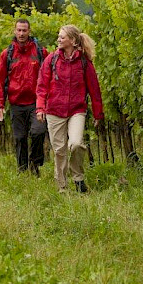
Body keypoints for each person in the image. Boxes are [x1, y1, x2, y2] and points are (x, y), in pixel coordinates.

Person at [36, 25, 104, 193]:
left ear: (73, 41)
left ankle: (78, 178)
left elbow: (94, 89)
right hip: (54, 110)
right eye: (59, 37)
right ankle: (62, 186)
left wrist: (97, 113)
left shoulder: (84, 63)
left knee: (75, 144)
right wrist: (40, 108)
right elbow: (42, 86)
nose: (58, 40)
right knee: (59, 150)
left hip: (76, 110)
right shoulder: (51, 60)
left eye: (62, 37)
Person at [0, 19, 49, 176]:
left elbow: (47, 77)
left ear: (29, 31)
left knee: (38, 132)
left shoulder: (40, 52)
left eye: (24, 30)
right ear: (14, 31)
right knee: (20, 138)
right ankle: (22, 170)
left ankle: (35, 163)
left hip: (36, 103)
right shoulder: (7, 54)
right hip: (16, 103)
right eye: (19, 30)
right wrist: (0, 104)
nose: (21, 33)